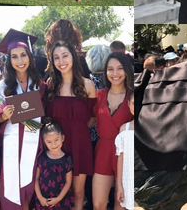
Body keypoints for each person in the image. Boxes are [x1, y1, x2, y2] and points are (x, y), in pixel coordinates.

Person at [0, 29, 45, 210]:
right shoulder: (1, 87)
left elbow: (47, 117)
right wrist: (3, 117)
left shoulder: (41, 86)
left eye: (23, 55)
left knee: (29, 190)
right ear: (9, 60)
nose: (20, 61)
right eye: (14, 57)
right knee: (11, 193)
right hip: (10, 145)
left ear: (30, 57)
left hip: (34, 146)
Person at [43, 42, 97, 210]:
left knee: (78, 192)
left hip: (80, 144)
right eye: (56, 58)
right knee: (57, 190)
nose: (61, 61)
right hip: (56, 146)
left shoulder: (87, 85)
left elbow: (93, 117)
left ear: (73, 56)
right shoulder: (51, 84)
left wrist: (78, 131)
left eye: (65, 55)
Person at [92, 52, 134, 210]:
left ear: (126, 70)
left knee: (121, 205)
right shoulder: (99, 95)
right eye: (110, 69)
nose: (115, 73)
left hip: (125, 155)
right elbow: (89, 120)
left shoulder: (132, 97)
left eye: (120, 68)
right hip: (103, 151)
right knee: (98, 204)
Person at [35, 123, 74, 210]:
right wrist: (40, 197)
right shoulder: (41, 158)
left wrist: (58, 199)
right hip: (43, 200)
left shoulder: (67, 159)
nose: (53, 144)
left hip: (61, 201)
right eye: (49, 142)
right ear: (44, 142)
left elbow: (68, 181)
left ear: (62, 138)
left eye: (56, 140)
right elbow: (36, 178)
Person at [115, 94, 134, 210]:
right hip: (128, 180)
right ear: (128, 104)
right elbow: (120, 159)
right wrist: (119, 186)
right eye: (133, 103)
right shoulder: (124, 129)